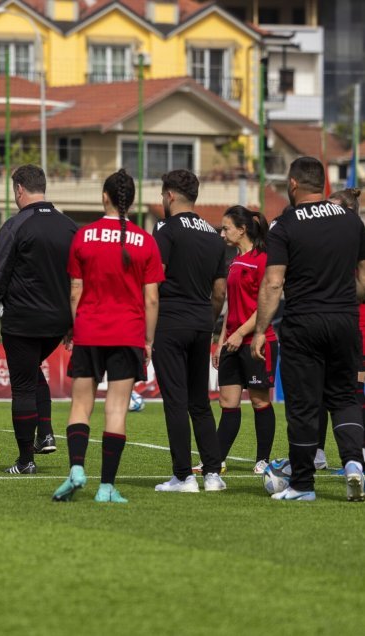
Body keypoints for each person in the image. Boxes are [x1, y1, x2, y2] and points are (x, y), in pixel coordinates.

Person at [253, 160, 365, 501]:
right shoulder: (352, 221)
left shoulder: (285, 224)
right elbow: (363, 279)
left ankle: (302, 484)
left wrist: (260, 331)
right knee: (345, 397)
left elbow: (273, 283)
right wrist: (342, 296)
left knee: (304, 405)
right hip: (345, 319)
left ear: (292, 184)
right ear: (324, 184)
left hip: (304, 321)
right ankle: (354, 465)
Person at [52, 169, 163, 503]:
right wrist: (148, 340)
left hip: (89, 330)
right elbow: (153, 298)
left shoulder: (84, 236)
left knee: (81, 404)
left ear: (105, 197)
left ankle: (75, 469)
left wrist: (75, 325)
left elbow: (75, 290)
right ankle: (105, 487)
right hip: (128, 333)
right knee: (116, 409)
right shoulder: (145, 240)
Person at [0, 164, 78, 474]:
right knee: (31, 371)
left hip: (23, 321)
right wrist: (73, 322)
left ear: (19, 189)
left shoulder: (15, 225)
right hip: (57, 322)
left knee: (21, 386)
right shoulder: (70, 227)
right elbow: (78, 279)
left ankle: (25, 461)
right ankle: (44, 433)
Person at [152, 169, 228, 493]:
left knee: (175, 401)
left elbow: (154, 281)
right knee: (200, 401)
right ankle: (212, 474)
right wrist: (208, 323)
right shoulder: (213, 234)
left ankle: (183, 476)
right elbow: (221, 291)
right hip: (201, 322)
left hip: (170, 321)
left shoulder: (165, 230)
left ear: (169, 196)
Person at [209, 206, 277, 475]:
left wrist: (241, 334)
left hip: (257, 343)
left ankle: (263, 460)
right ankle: (216, 460)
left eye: (226, 228)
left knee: (260, 402)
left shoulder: (264, 260)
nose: (223, 233)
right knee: (227, 402)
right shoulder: (234, 261)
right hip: (232, 343)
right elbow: (231, 306)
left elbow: (265, 305)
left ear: (242, 229)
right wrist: (222, 340)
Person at [315, 187, 364, 471]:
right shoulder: (334, 245)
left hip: (357, 331)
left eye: (332, 209)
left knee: (354, 393)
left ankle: (359, 456)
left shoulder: (358, 243)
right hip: (336, 325)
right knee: (320, 392)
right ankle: (317, 452)